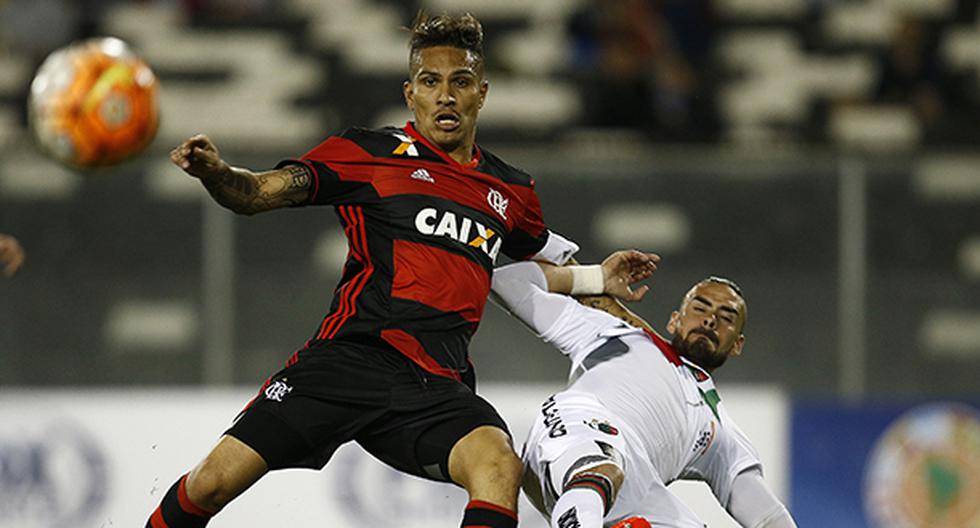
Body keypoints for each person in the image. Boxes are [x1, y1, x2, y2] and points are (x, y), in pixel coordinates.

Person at [146, 12, 660, 528]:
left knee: (499, 463)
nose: (445, 96)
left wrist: (600, 282)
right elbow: (257, 194)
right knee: (211, 484)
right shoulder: (367, 153)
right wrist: (217, 172)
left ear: (481, 93)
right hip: (348, 361)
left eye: (460, 82)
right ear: (410, 92)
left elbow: (544, 267)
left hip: (435, 385)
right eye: (431, 82)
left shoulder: (512, 190)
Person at [490, 258, 798, 528]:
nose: (709, 320)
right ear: (674, 321)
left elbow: (767, 517)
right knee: (604, 468)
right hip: (578, 432)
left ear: (737, 344)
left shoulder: (720, 432)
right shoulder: (617, 335)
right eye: (700, 308)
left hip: (628, 490)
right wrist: (593, 277)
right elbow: (507, 282)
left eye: (726, 318)